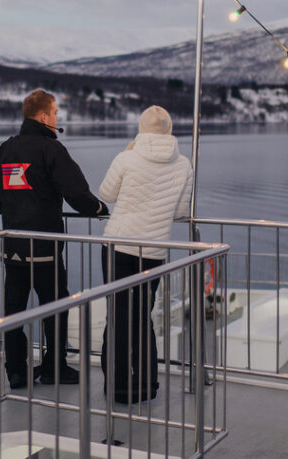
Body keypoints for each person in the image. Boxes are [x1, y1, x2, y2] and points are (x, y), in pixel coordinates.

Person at [0, 89, 108, 389]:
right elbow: (76, 193)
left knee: (13, 311)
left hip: (12, 247)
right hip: (45, 249)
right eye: (55, 113)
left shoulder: (5, 149)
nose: (57, 118)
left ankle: (15, 370)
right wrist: (99, 208)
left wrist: (14, 205)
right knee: (54, 308)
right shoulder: (51, 149)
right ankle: (54, 368)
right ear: (43, 116)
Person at [98, 105, 193, 403]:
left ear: (140, 129)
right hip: (153, 250)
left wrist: (128, 152)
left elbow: (106, 194)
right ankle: (146, 385)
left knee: (118, 316)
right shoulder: (184, 164)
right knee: (142, 316)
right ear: (169, 129)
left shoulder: (127, 157)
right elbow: (180, 212)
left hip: (119, 247)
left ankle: (119, 386)